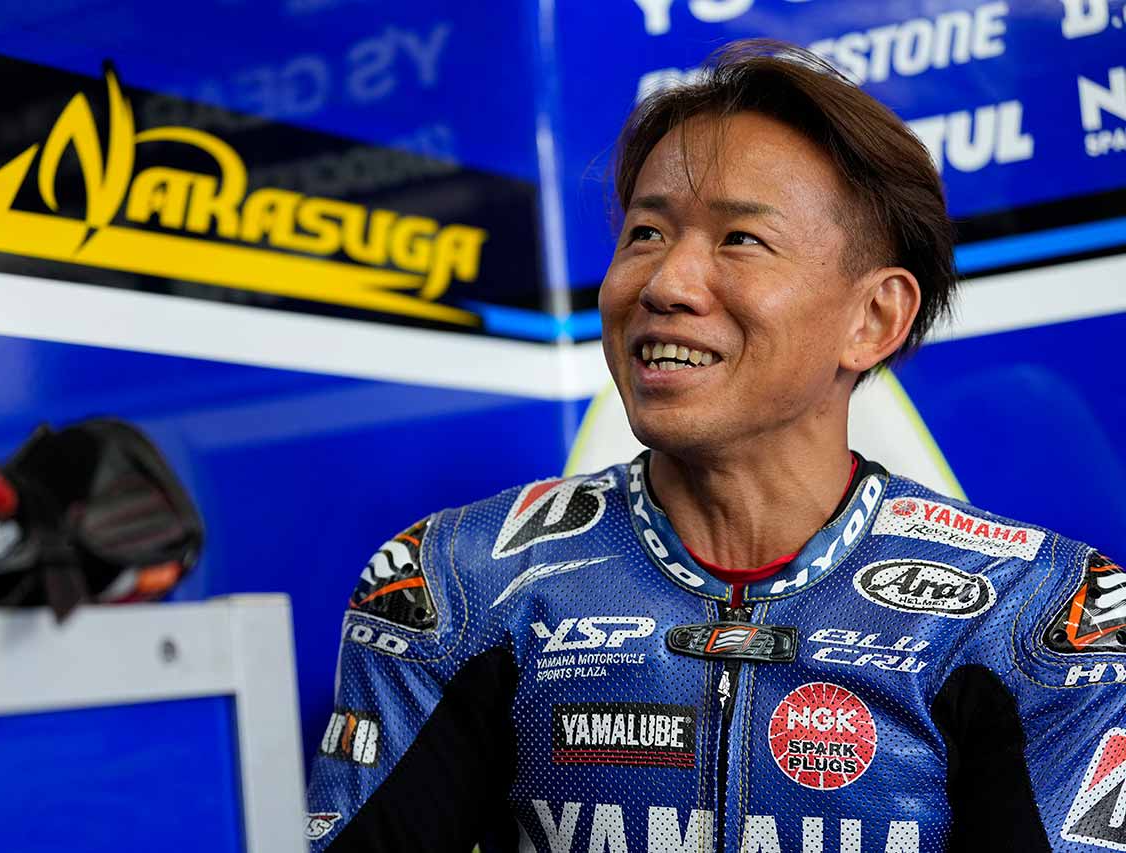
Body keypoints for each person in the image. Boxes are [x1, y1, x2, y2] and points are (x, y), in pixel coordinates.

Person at [305, 39, 1122, 853]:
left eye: (740, 240)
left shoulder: (1040, 618)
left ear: (873, 319)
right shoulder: (455, 584)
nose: (665, 284)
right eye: (645, 233)